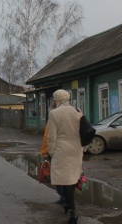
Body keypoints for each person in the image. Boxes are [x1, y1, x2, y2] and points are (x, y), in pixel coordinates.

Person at [47, 89, 83, 224]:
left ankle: (72, 211)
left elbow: (52, 136)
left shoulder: (54, 113)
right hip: (76, 148)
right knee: (73, 177)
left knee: (65, 180)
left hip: (62, 149)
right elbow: (83, 131)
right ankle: (69, 205)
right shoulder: (77, 111)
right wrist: (82, 149)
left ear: (57, 100)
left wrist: (51, 152)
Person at [41, 102, 66, 206]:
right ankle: (69, 197)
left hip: (56, 151)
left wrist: (45, 152)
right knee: (68, 174)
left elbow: (48, 136)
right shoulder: (73, 116)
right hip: (70, 151)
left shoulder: (52, 119)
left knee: (57, 174)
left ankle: (63, 198)